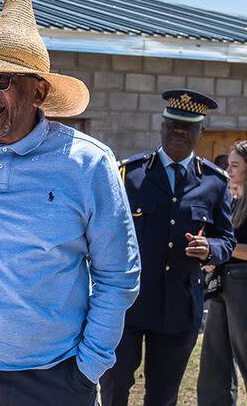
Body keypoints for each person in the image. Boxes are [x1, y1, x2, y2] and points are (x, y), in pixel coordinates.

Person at [0, 0, 141, 405]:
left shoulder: (87, 163)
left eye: (0, 80)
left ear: (38, 91)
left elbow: (119, 274)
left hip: (53, 377)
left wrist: (88, 366)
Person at [101, 89, 236, 406]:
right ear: (160, 126)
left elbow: (226, 240)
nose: (178, 131)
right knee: (114, 386)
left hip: (179, 304)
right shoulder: (130, 175)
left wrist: (209, 248)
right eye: (172, 124)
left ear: (201, 132)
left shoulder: (213, 182)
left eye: (187, 127)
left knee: (163, 395)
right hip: (129, 303)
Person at [197, 141, 247, 405]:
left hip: (243, 287)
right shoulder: (233, 201)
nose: (228, 171)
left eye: (235, 166)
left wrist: (223, 250)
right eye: (228, 165)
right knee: (214, 360)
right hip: (221, 285)